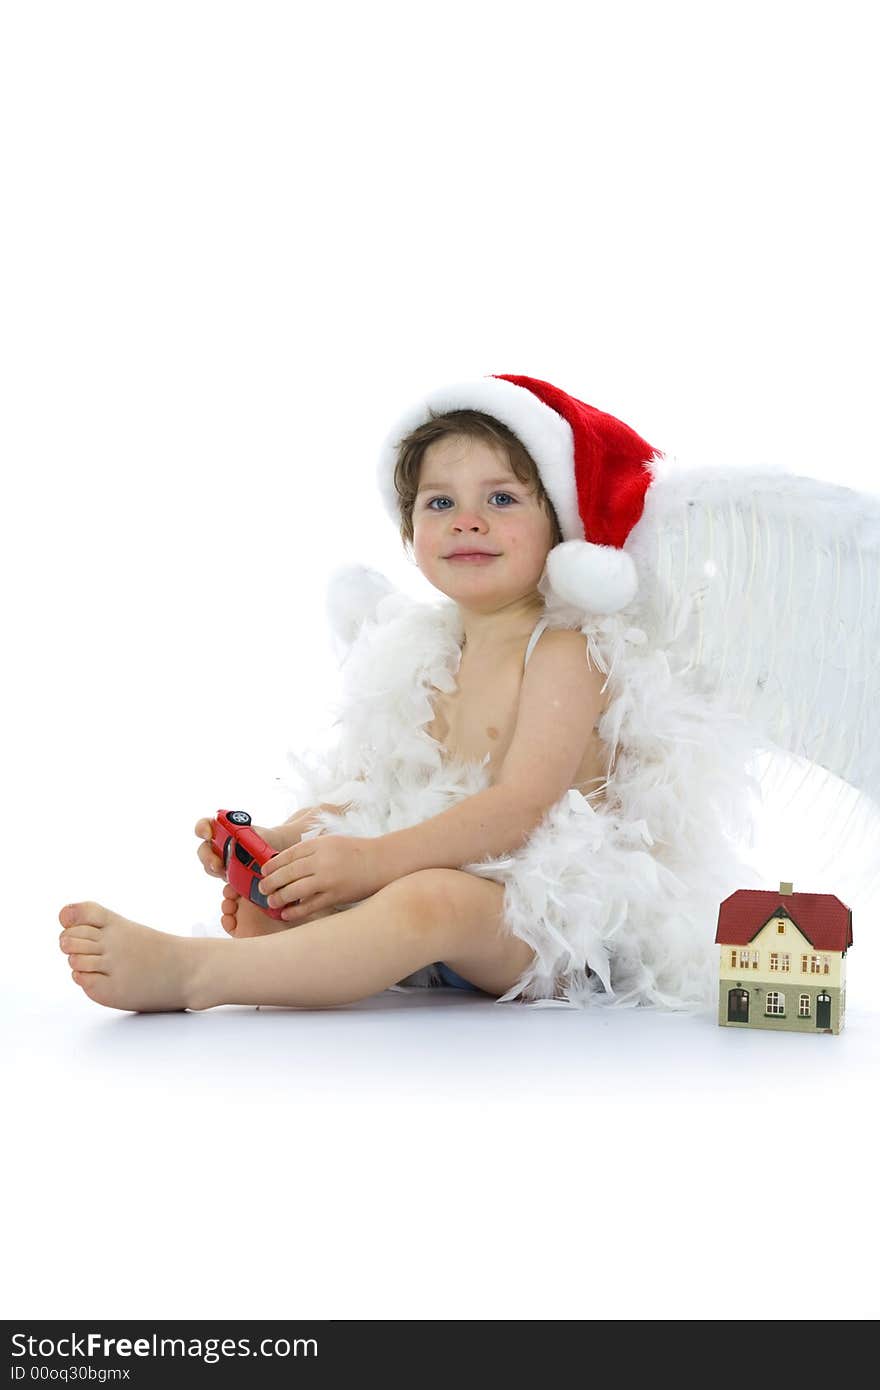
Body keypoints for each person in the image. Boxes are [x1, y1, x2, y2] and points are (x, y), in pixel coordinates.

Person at [57, 373, 767, 1013]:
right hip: (452, 919)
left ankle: (199, 975)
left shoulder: (562, 652)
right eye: (439, 501)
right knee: (354, 898)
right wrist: (281, 841)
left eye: (502, 498)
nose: (468, 519)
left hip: (559, 930)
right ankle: (295, 952)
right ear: (410, 532)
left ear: (560, 524)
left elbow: (520, 808)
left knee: (425, 899)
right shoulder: (423, 654)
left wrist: (369, 862)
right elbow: (374, 792)